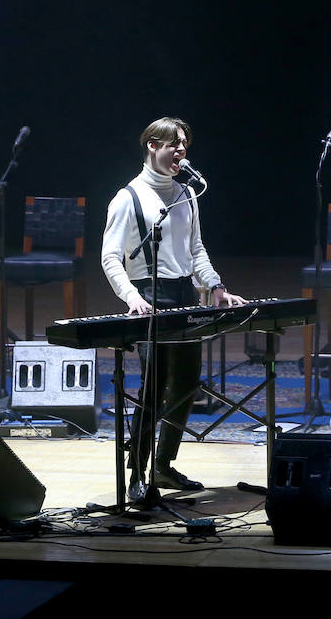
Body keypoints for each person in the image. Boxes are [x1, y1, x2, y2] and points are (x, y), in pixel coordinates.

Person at [101, 116, 247, 500]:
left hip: (185, 295)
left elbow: (195, 250)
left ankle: (163, 466)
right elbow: (110, 256)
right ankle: (137, 474)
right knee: (152, 388)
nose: (181, 151)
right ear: (152, 145)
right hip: (150, 295)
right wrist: (131, 296)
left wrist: (215, 286)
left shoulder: (187, 194)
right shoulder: (129, 198)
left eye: (184, 145)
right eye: (174, 144)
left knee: (185, 384)